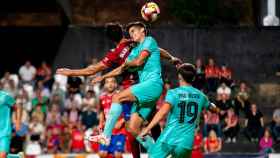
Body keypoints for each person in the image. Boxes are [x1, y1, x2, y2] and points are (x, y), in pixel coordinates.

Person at [56, 22, 180, 157]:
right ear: (123, 32)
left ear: (110, 39)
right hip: (146, 86)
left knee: (131, 128)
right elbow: (157, 49)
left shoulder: (115, 53)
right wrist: (171, 58)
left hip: (133, 89)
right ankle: (162, 151)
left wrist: (71, 72)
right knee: (152, 122)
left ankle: (149, 153)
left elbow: (91, 70)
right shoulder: (133, 42)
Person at [139, 63, 219, 158]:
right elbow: (214, 109)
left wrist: (147, 129)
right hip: (186, 143)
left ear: (179, 77)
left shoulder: (173, 93)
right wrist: (214, 108)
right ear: (193, 78)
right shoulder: (201, 96)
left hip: (169, 138)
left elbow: (162, 112)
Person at [98, 77, 126, 158]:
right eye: (107, 82)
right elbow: (101, 111)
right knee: (102, 154)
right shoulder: (101, 97)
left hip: (119, 131)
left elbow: (129, 111)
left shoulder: (121, 96)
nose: (110, 84)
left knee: (118, 154)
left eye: (112, 82)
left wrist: (121, 121)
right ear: (104, 85)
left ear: (116, 84)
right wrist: (100, 123)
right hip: (107, 131)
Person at [0, 90, 21, 158]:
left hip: (4, 131)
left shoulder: (4, 96)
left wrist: (18, 121)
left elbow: (17, 107)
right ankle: (18, 156)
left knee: (2, 156)